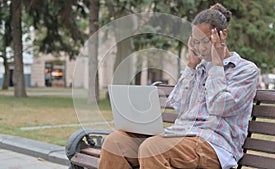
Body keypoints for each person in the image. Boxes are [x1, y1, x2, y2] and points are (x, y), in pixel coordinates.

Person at [98, 3, 259, 169]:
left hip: (215, 146)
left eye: (205, 41)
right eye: (196, 42)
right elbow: (177, 104)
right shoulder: (198, 67)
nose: (201, 48)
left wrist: (217, 66)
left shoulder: (245, 70)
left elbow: (219, 108)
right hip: (180, 136)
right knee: (114, 143)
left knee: (152, 148)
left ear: (222, 35)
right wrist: (191, 66)